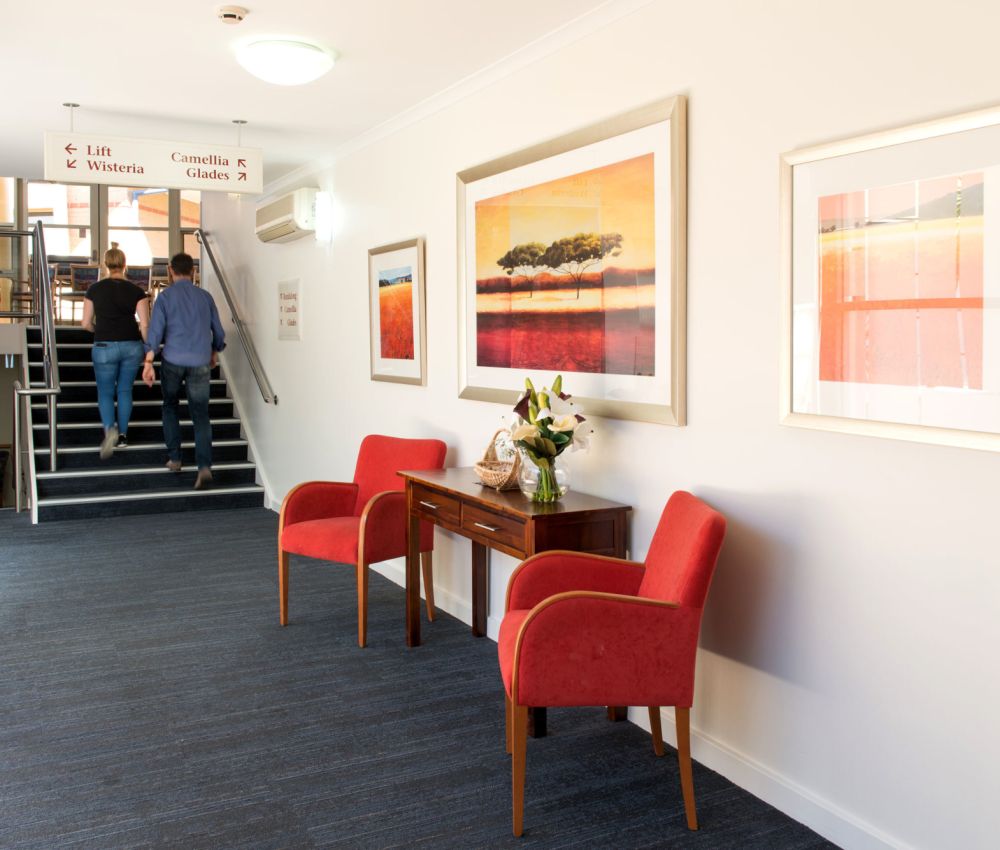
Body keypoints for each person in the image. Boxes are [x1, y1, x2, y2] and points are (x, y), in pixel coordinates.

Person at [142, 252, 225, 490]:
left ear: (171, 270)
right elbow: (218, 332)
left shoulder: (165, 297)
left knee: (170, 405)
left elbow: (156, 332)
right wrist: (214, 351)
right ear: (193, 271)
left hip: (172, 361)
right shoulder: (205, 297)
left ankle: (175, 458)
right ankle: (204, 466)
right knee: (201, 415)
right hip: (200, 362)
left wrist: (148, 362)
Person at [82, 243, 150, 459]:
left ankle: (109, 430)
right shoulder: (137, 291)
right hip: (131, 345)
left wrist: (98, 330)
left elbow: (85, 323)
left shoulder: (94, 289)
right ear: (124, 264)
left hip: (104, 346)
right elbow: (145, 325)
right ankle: (122, 435)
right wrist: (149, 349)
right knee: (125, 391)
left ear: (106, 265)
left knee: (105, 392)